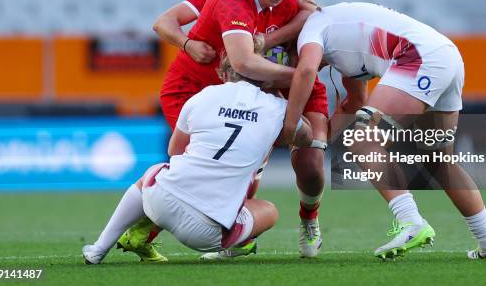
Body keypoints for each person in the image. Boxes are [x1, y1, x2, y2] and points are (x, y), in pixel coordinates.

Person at [283, 2, 486, 260]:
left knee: (362, 141)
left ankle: (411, 222)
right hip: (445, 57)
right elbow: (354, 104)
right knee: (439, 161)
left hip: (420, 59)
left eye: (289, 58)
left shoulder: (311, 30)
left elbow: (306, 70)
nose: (291, 65)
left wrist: (292, 126)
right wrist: (317, 142)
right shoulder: (336, 38)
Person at [82, 39, 314, 265]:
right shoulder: (278, 108)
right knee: (269, 211)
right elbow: (306, 136)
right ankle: (233, 248)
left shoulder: (204, 95)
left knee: (158, 170)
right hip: (205, 234)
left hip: (160, 201)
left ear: (224, 72)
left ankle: (99, 248)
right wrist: (286, 99)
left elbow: (175, 151)